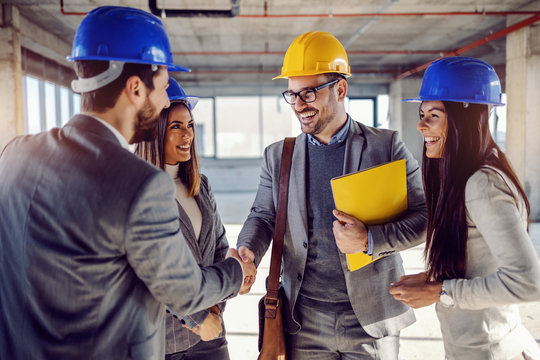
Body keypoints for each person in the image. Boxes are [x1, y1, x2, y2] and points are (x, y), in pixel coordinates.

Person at [0, 6, 254, 360]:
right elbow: (186, 293)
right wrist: (237, 269)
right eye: (164, 88)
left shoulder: (14, 154)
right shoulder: (141, 184)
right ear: (135, 88)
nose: (167, 101)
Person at [236, 31, 427, 359]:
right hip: (303, 318)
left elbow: (425, 218)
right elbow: (263, 216)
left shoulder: (385, 147)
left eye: (309, 93)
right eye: (292, 95)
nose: (299, 105)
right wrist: (248, 251)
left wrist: (369, 240)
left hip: (371, 317)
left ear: (340, 89)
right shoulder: (278, 156)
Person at [390, 56, 540, 359]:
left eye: (434, 115)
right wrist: (435, 280)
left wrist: (439, 290)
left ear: (465, 117)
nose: (420, 126)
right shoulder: (465, 176)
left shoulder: (482, 183)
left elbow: (527, 283)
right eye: (422, 114)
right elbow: (480, 264)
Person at [135, 78, 232, 360]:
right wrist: (198, 318)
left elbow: (220, 249)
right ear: (155, 130)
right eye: (176, 127)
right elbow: (151, 271)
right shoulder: (138, 190)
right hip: (163, 342)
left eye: (189, 125)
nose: (187, 134)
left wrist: (214, 310)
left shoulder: (201, 186)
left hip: (212, 336)